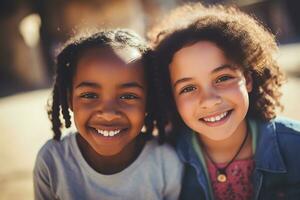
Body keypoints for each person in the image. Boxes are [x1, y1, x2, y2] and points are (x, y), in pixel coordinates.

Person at [148, 3, 300, 200]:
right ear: (171, 98)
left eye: (222, 78)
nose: (209, 101)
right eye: (188, 88)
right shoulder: (163, 161)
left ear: (248, 79)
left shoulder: (295, 146)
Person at [33, 29, 183, 200]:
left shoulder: (165, 163)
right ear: (69, 100)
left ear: (148, 103)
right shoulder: (52, 161)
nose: (109, 113)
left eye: (128, 96)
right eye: (89, 95)